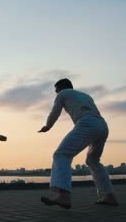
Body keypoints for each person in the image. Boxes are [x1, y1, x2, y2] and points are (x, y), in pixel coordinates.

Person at [38, 78, 118, 209]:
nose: (56, 93)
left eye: (56, 90)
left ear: (61, 88)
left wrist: (47, 126)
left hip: (87, 123)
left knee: (61, 155)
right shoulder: (86, 95)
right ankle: (109, 196)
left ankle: (63, 196)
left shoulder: (63, 94)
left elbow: (54, 112)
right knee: (93, 161)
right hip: (102, 125)